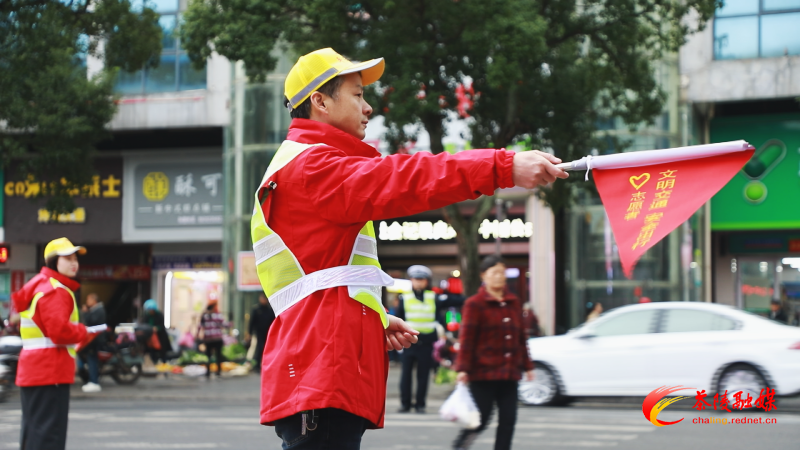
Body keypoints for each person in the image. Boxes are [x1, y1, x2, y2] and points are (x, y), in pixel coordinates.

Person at [252, 47, 567, 449]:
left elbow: (320, 274)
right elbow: (406, 178)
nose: (368, 108)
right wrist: (501, 167)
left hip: (321, 360)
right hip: (322, 367)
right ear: (320, 101)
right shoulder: (314, 168)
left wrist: (374, 317)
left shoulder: (306, 165)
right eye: (358, 94)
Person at [13, 238, 102, 450]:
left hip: (35, 370)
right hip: (50, 371)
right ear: (54, 262)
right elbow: (59, 332)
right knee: (49, 436)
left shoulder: (39, 285)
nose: (74, 263)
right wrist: (82, 330)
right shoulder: (56, 290)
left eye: (75, 259)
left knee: (35, 432)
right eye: (68, 258)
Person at [453, 255, 534, 450]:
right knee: (479, 420)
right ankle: (459, 447)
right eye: (494, 273)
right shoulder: (475, 303)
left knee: (508, 422)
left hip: (509, 373)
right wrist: (463, 369)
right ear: (484, 275)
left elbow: (521, 338)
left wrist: (528, 366)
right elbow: (467, 339)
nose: (499, 277)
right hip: (483, 373)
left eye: (502, 273)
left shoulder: (514, 302)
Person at [396, 265, 439, 413]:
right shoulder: (404, 297)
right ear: (411, 280)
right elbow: (399, 319)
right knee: (406, 375)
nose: (419, 282)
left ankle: (420, 404)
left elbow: (438, 317)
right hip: (408, 342)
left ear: (427, 281)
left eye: (422, 279)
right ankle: (405, 404)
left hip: (426, 343)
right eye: (416, 279)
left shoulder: (433, 297)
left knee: (423, 375)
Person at [78, 293, 106, 393]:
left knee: (92, 359)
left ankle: (94, 381)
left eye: (88, 299)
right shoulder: (95, 310)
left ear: (94, 300)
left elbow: (91, 321)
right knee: (90, 359)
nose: (87, 302)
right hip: (93, 340)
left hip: (94, 340)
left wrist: (85, 313)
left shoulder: (98, 310)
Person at [198, 298, 228, 378]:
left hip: (208, 339)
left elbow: (200, 326)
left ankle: (208, 372)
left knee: (208, 356)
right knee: (218, 355)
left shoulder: (204, 315)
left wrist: (197, 335)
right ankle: (218, 372)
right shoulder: (218, 315)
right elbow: (224, 324)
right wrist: (230, 324)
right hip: (217, 338)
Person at [248, 294, 275, 371]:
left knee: (268, 348)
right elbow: (252, 322)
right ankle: (257, 365)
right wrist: (250, 333)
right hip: (259, 332)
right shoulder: (256, 309)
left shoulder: (270, 310)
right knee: (260, 348)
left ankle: (267, 364)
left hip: (268, 332)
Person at [142, 299, 171, 365]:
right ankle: (154, 362)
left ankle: (164, 363)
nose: (151, 311)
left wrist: (157, 328)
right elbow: (144, 324)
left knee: (162, 350)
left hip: (160, 336)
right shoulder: (146, 316)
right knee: (151, 350)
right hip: (150, 336)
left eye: (152, 310)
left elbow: (162, 325)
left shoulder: (159, 314)